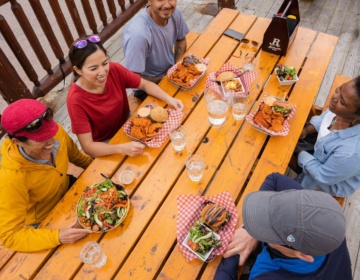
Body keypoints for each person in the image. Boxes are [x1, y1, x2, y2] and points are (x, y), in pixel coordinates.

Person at [214, 172, 352, 280]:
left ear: (303, 255)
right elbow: (274, 179)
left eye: (270, 231)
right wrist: (249, 231)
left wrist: (232, 254)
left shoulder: (265, 276)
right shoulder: (330, 228)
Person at [67, 34, 184, 157]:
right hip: (105, 144)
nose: (102, 72)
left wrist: (168, 98)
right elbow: (88, 147)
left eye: (104, 63)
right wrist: (121, 148)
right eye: (93, 68)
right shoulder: (75, 99)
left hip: (129, 125)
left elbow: (144, 84)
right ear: (78, 70)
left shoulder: (114, 69)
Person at [0, 99, 93, 252]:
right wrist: (57, 237)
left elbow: (77, 157)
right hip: (47, 221)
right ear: (18, 142)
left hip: (69, 190)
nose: (51, 141)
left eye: (51, 132)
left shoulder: (57, 133)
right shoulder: (10, 178)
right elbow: (10, 235)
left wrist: (98, 168)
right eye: (41, 139)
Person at [290, 75, 360, 198]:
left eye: (342, 102)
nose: (334, 97)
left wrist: (299, 152)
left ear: (357, 117)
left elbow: (323, 176)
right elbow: (326, 117)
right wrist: (308, 130)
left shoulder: (350, 152)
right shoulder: (342, 111)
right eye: (339, 89)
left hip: (325, 181)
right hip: (322, 148)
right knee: (284, 132)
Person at [122, 0, 189, 100]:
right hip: (146, 88)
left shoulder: (175, 13)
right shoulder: (138, 34)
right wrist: (167, 78)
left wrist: (177, 70)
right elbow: (132, 78)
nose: (167, 5)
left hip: (169, 73)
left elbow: (181, 40)